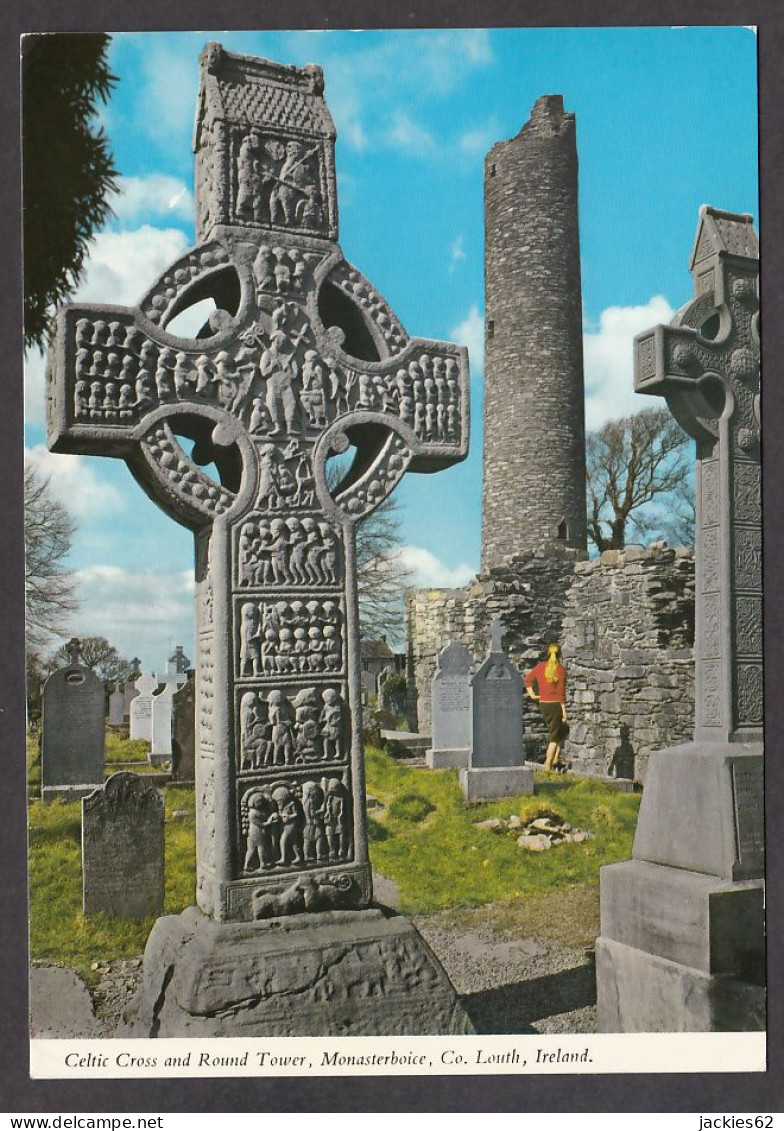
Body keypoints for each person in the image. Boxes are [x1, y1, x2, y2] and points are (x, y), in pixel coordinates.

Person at [524, 643, 569, 772]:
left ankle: (556, 759)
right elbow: (561, 694)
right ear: (560, 655)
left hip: (543, 704)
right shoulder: (561, 671)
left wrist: (533, 695)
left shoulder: (540, 667)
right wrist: (564, 712)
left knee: (564, 730)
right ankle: (548, 765)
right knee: (554, 737)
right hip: (555, 705)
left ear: (547, 654)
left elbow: (527, 680)